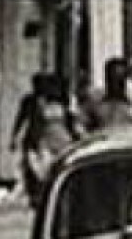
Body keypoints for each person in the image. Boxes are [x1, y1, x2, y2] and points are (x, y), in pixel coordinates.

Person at [11, 74, 82, 204]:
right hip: (44, 142)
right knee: (41, 172)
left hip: (62, 142)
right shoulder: (34, 102)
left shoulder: (63, 103)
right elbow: (23, 121)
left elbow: (72, 122)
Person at [84, 58, 132, 131]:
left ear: (125, 78)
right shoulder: (94, 102)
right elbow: (83, 124)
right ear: (106, 78)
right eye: (112, 79)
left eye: (120, 79)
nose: (115, 84)